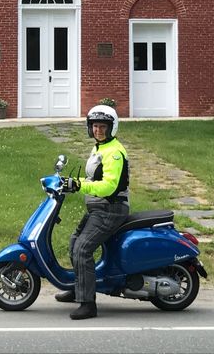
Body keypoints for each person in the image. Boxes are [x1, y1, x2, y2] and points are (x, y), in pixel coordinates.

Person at [57, 104, 130, 320]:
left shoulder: (114, 152)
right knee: (74, 242)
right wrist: (71, 182)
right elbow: (91, 180)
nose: (98, 130)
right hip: (99, 208)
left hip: (111, 208)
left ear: (112, 128)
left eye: (103, 127)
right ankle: (78, 288)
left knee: (82, 248)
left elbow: (108, 186)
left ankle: (88, 304)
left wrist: (79, 186)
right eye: (95, 126)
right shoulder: (99, 148)